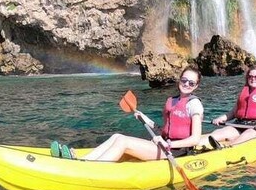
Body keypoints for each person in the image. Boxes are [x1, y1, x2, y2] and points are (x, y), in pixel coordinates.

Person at [51, 66, 204, 161]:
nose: (186, 84)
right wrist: (143, 117)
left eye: (191, 83)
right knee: (117, 136)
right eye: (184, 80)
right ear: (179, 80)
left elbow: (195, 139)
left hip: (177, 151)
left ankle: (89, 168)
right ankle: (80, 159)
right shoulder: (171, 101)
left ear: (196, 86)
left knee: (124, 142)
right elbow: (162, 129)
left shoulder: (194, 104)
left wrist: (169, 144)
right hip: (163, 144)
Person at [206, 64, 256, 148]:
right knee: (219, 132)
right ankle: (196, 145)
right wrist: (221, 118)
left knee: (248, 134)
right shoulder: (244, 93)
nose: (253, 79)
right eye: (250, 76)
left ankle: (226, 148)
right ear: (247, 78)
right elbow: (233, 112)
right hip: (240, 125)